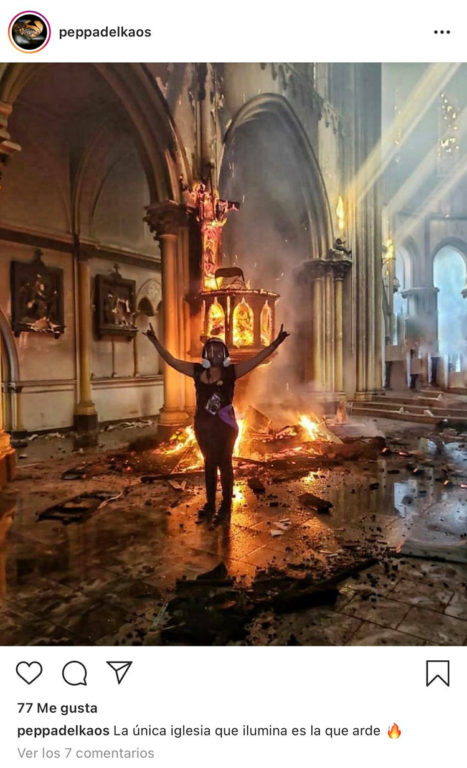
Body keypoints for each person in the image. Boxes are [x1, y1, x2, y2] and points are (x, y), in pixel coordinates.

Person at [144, 323, 290, 521]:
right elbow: (171, 361)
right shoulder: (197, 371)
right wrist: (154, 341)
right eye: (211, 350)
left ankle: (226, 508)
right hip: (203, 427)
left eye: (219, 350)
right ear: (205, 355)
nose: (215, 354)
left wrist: (277, 342)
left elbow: (257, 359)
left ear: (225, 354)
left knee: (225, 464)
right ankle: (210, 505)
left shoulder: (232, 372)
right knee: (209, 464)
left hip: (225, 427)